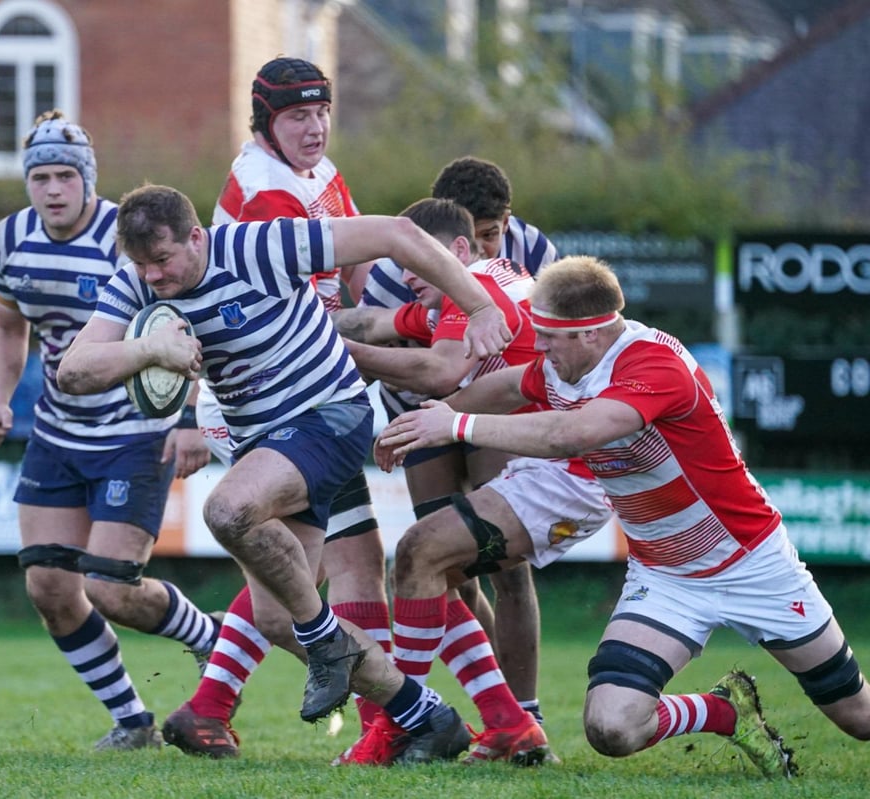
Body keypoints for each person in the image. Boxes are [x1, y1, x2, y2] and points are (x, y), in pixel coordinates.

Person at [57, 183, 515, 764]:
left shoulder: (259, 246)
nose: (153, 276)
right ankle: (422, 715)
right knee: (276, 617)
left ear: (196, 237)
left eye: (163, 260)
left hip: (330, 415)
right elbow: (74, 370)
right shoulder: (138, 284)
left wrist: (479, 306)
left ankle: (325, 649)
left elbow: (397, 234)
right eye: (141, 264)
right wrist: (147, 351)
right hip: (267, 445)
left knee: (227, 511)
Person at [376, 255, 870, 778]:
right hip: (666, 578)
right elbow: (508, 384)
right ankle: (724, 709)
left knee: (858, 718)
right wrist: (435, 415)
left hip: (753, 565)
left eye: (547, 335)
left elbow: (571, 434)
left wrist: (457, 426)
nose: (537, 346)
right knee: (611, 729)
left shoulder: (653, 364)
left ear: (589, 333)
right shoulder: (567, 364)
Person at [168, 56, 393, 758]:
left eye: (322, 111)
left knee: (302, 570)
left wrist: (409, 311)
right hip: (279, 398)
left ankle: (209, 705)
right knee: (349, 561)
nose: (316, 126)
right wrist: (420, 339)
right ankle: (386, 725)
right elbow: (321, 315)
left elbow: (361, 273)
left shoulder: (315, 173)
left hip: (306, 388)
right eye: (298, 115)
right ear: (266, 121)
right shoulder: (267, 191)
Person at [332, 198, 611, 766]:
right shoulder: (455, 296)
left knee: (435, 561)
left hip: (566, 470)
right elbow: (375, 323)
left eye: (417, 260)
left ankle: (423, 722)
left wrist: (341, 353)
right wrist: (295, 321)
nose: (406, 274)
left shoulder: (478, 288)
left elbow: (438, 369)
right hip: (549, 464)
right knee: (433, 568)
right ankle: (508, 722)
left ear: (460, 252)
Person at [0, 111, 219, 751]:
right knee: (50, 587)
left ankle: (212, 640)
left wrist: (195, 415)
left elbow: (192, 323)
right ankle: (133, 723)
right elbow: (7, 326)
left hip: (137, 432)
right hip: (57, 434)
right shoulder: (10, 241)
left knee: (109, 586)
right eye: (39, 178)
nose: (52, 189)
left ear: (87, 179)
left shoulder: (128, 238)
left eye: (64, 176)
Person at [360, 155, 558, 727]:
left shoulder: (529, 253)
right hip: (422, 414)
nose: (483, 247)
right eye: (471, 237)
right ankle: (503, 713)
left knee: (507, 569)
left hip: (496, 406)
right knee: (439, 568)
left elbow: (564, 331)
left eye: (492, 235)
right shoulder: (396, 264)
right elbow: (382, 333)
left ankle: (524, 711)